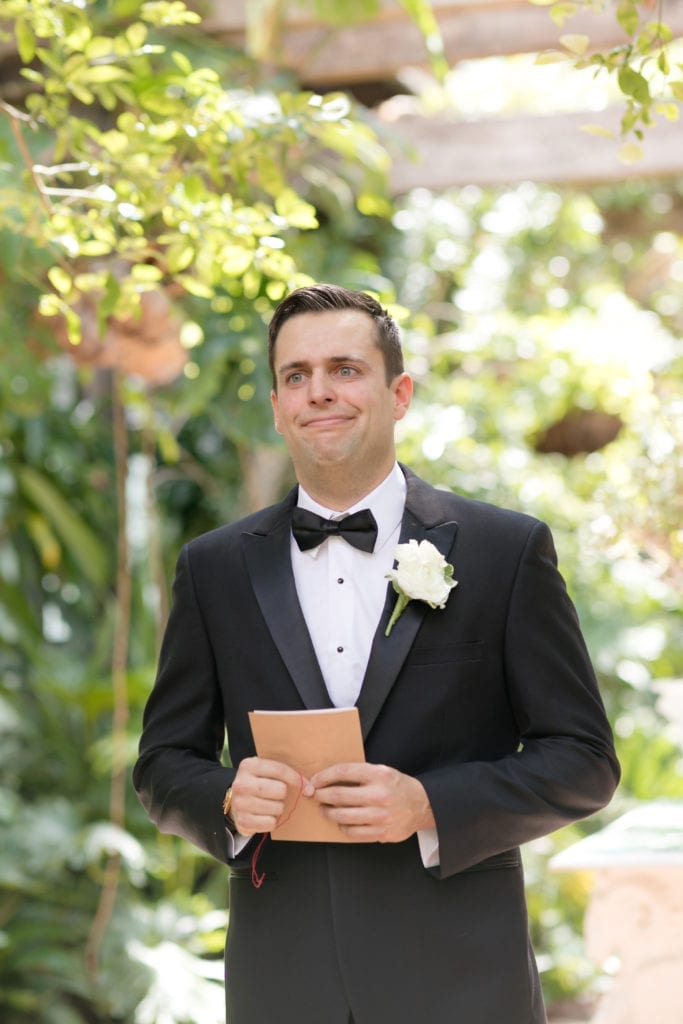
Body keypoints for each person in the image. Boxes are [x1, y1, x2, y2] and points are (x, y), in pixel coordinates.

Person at [133, 283, 620, 1024]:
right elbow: (163, 764)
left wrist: (428, 804)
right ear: (275, 405)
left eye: (344, 369)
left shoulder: (503, 551)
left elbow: (584, 760)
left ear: (399, 393)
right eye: (295, 376)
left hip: (461, 980)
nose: (318, 392)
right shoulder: (214, 568)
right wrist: (227, 798)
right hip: (281, 983)